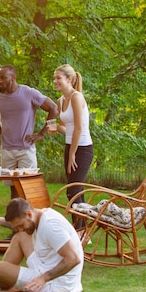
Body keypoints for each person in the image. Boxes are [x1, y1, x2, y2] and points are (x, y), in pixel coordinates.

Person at [0, 198, 83, 292]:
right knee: (20, 236)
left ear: (29, 214)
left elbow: (73, 258)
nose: (19, 229)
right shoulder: (39, 215)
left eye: (20, 225)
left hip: (56, 282)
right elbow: (20, 224)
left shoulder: (51, 226)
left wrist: (43, 279)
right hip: (45, 265)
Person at [0, 65, 58, 197]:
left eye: (3, 78)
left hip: (26, 149)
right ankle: (15, 216)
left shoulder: (28, 93)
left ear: (13, 78)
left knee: (28, 187)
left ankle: (29, 216)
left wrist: (42, 134)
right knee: (13, 188)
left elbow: (53, 108)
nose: (0, 81)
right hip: (7, 149)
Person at [52, 64, 94, 229]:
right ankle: (83, 230)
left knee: (73, 190)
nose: (55, 81)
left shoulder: (77, 97)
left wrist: (72, 155)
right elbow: (66, 127)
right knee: (76, 190)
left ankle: (79, 230)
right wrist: (56, 128)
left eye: (58, 78)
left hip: (82, 149)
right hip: (70, 147)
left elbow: (78, 128)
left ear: (69, 79)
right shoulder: (60, 101)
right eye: (54, 78)